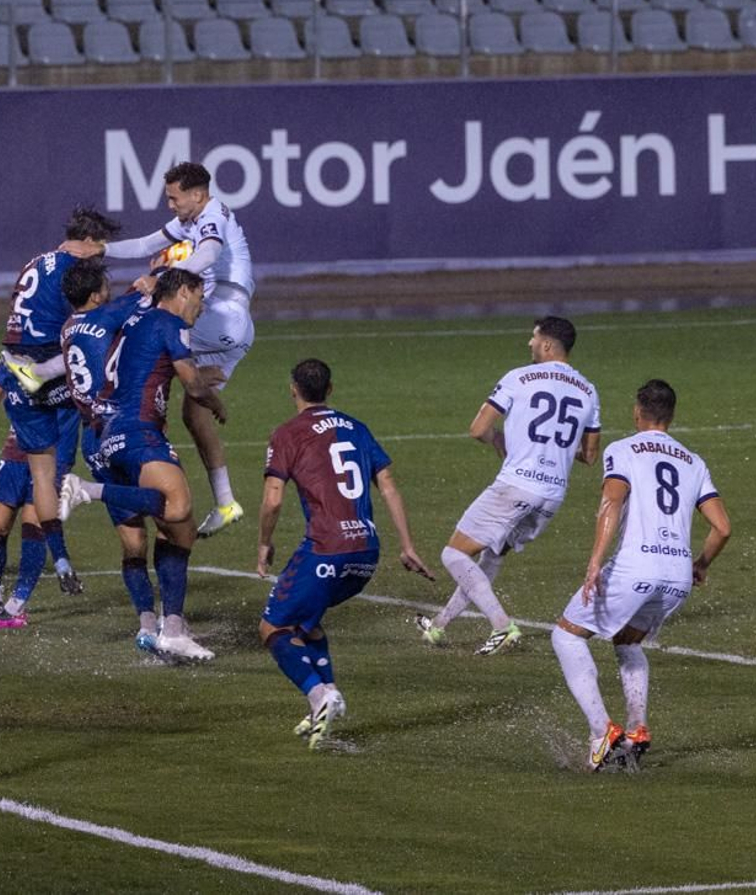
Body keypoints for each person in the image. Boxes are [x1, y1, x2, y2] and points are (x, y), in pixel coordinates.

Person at [552, 379, 731, 772]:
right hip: (677, 575)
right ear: (671, 415)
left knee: (566, 635)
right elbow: (722, 528)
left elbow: (611, 501)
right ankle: (637, 728)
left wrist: (595, 560)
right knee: (628, 642)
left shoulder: (623, 449)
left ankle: (602, 732)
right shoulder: (693, 460)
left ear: (637, 412)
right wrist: (700, 565)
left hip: (637, 566)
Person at [257, 359, 433, 750]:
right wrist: (406, 545)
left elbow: (272, 499)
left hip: (326, 550)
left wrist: (264, 544)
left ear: (292, 389)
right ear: (330, 390)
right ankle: (328, 695)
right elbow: (387, 484)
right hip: (365, 554)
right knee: (307, 624)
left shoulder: (288, 433)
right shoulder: (356, 426)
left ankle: (319, 696)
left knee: (273, 629)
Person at [57, 268, 227, 662]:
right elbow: (191, 383)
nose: (201, 308)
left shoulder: (110, 323)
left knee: (172, 533)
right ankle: (86, 490)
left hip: (105, 431)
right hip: (135, 430)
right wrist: (211, 397)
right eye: (199, 298)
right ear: (183, 292)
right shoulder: (163, 320)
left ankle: (164, 628)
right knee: (178, 507)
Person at [86, 161, 255, 539]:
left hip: (221, 318)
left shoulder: (211, 216)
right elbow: (147, 244)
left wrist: (161, 275)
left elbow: (208, 255)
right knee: (194, 416)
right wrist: (100, 249)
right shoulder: (191, 220)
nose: (170, 205)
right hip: (225, 328)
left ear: (197, 194)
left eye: (174, 197)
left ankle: (51, 365)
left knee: (141, 320)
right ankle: (226, 502)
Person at [416, 317, 600, 655]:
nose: (529, 344)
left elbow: (477, 429)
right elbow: (589, 455)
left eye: (533, 338)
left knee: (454, 553)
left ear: (547, 344)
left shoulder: (519, 377)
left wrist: (499, 439)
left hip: (517, 484)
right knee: (492, 553)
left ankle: (502, 625)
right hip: (552, 495)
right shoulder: (588, 390)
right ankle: (439, 626)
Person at [0, 207, 121, 595]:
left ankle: (61, 560)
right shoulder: (77, 272)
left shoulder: (36, 262)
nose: (102, 259)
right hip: (50, 370)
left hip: (17, 366)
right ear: (88, 243)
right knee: (101, 433)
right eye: (100, 250)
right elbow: (91, 323)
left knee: (41, 476)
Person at [58, 261, 167, 654]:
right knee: (170, 513)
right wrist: (157, 276)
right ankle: (173, 620)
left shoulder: (68, 327)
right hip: (125, 430)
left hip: (94, 438)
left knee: (134, 542)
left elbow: (120, 310)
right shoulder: (108, 314)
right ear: (94, 295)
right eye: (105, 284)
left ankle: (147, 624)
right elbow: (153, 296)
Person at [0, 388, 85, 629]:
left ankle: (16, 606)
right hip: (17, 449)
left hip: (55, 453)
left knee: (33, 524)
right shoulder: (11, 359)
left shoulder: (67, 359)